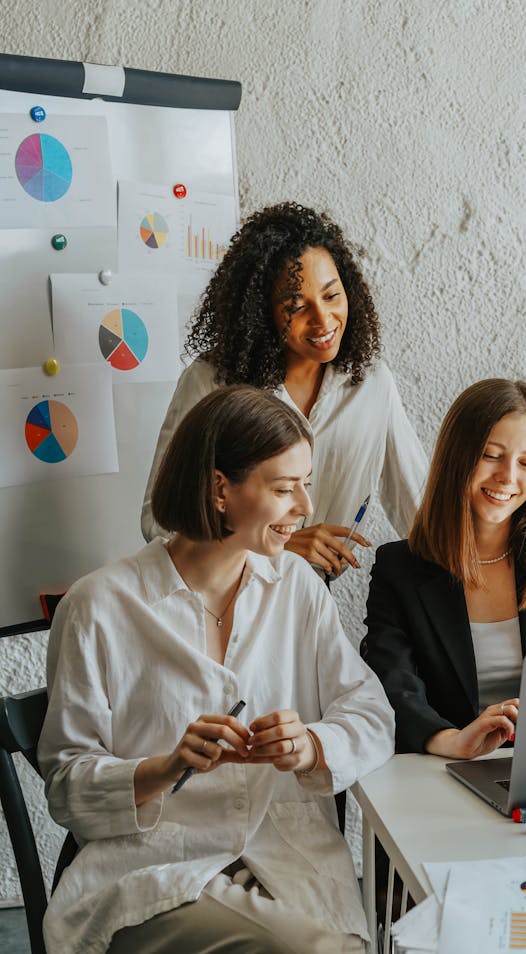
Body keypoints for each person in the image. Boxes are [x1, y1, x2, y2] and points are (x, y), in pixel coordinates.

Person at [38, 386, 394, 954]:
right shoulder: (99, 605)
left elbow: (372, 715)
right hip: (153, 872)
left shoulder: (296, 588)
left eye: (305, 482)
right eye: (284, 488)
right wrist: (164, 767)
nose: (305, 505)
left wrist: (311, 746)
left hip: (285, 859)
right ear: (219, 489)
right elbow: (66, 785)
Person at [141, 202, 427, 578]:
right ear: (262, 312)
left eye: (331, 295)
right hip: (222, 591)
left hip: (312, 596)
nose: (323, 320)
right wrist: (275, 543)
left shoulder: (371, 384)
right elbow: (162, 523)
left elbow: (420, 511)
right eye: (296, 306)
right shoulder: (210, 382)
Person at [362, 378, 526, 759]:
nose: (508, 476)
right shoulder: (398, 567)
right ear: (457, 456)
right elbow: (393, 682)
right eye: (490, 455)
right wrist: (451, 740)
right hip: (446, 769)